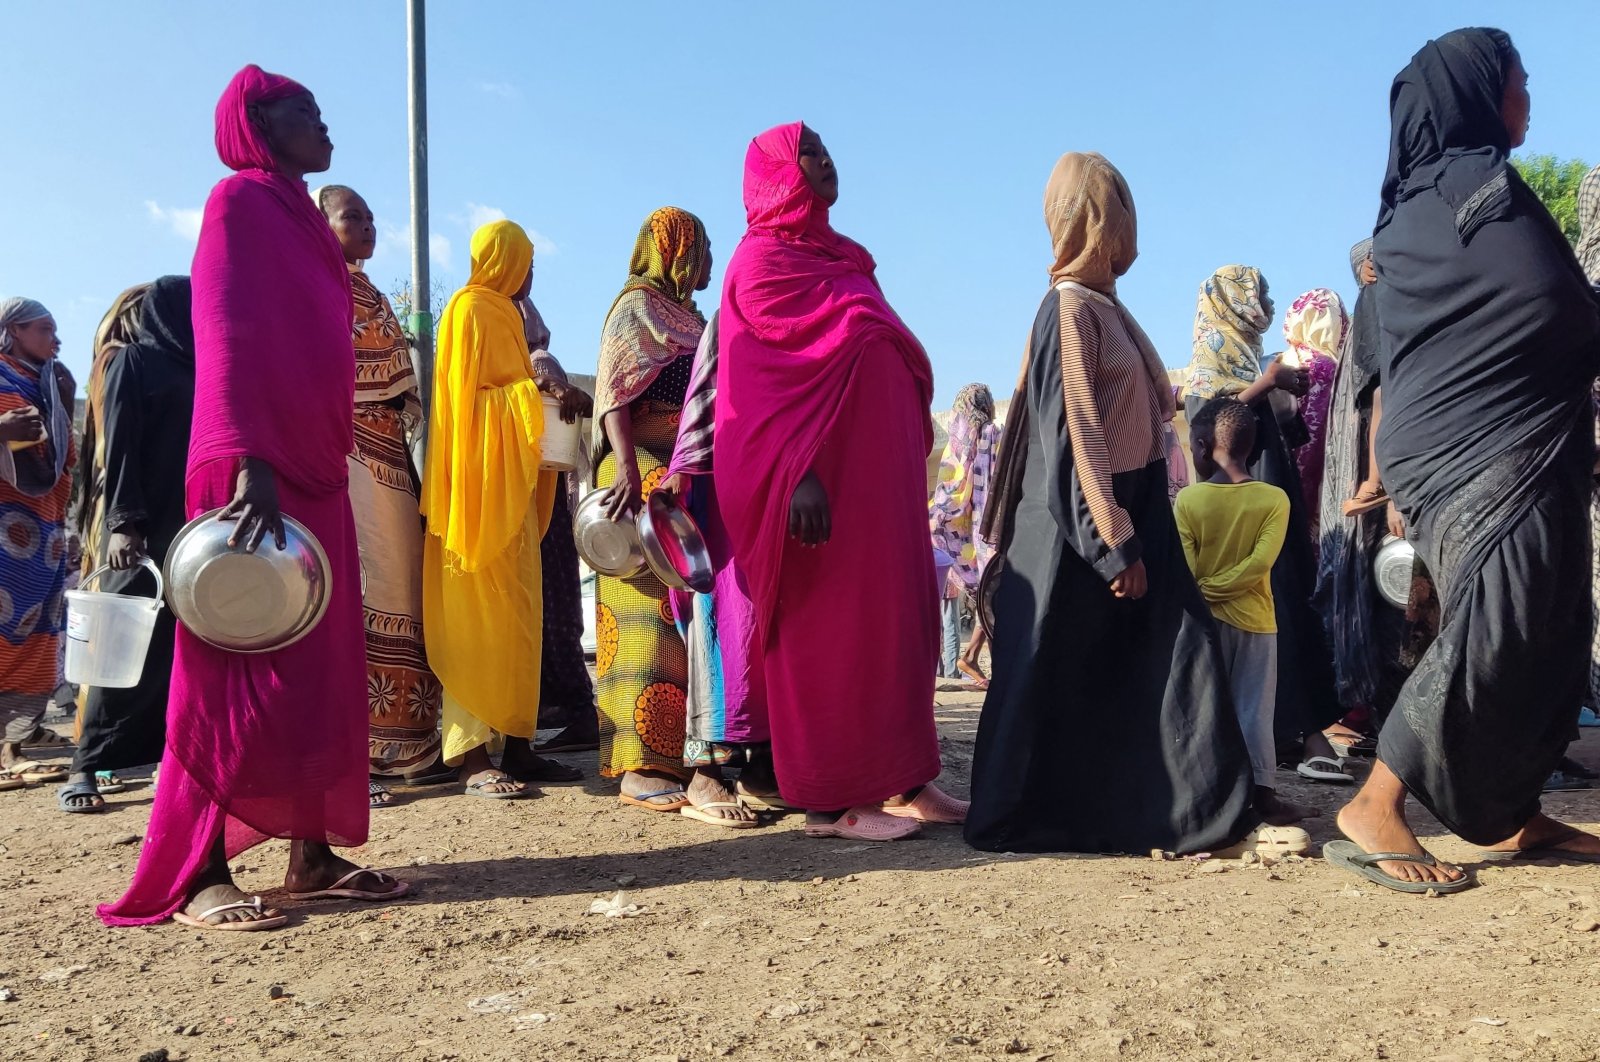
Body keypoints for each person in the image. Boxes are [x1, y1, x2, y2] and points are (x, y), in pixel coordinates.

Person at [100, 65, 407, 930]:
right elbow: (229, 333)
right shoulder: (237, 205)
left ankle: (310, 857)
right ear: (260, 125)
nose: (325, 125)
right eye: (305, 113)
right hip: (254, 470)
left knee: (317, 669)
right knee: (231, 677)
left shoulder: (300, 220)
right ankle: (197, 870)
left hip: (312, 464)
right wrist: (250, 462)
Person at [1328, 29, 1600, 894]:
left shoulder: (1484, 195)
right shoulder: (1441, 208)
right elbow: (1522, 307)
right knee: (1497, 618)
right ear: (1479, 93)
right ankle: (1375, 800)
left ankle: (1511, 810)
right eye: (1520, 81)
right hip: (1468, 447)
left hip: (1531, 436)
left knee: (1555, 628)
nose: (1530, 97)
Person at [965, 152, 1255, 854]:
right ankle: (1034, 817)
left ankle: (1189, 810)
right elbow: (1077, 431)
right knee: (1056, 674)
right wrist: (1112, 542)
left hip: (1130, 507)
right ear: (1096, 220)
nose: (1129, 223)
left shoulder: (1105, 307)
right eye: (1117, 206)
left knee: (1158, 661)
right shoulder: (1068, 308)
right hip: (1084, 526)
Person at [716, 123, 966, 841]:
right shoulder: (758, 263)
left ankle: (906, 779)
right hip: (818, 494)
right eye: (809, 154)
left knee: (895, 621)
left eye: (827, 151)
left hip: (877, 486)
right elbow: (755, 392)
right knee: (830, 633)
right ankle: (831, 803)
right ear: (776, 174)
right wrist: (797, 476)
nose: (826, 163)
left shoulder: (845, 258)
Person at [593, 207, 758, 825]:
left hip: (683, 480)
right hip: (639, 480)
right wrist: (632, 469)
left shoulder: (690, 317)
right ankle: (640, 768)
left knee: (684, 624)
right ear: (675, 247)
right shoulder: (634, 307)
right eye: (704, 245)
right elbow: (614, 390)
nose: (711, 258)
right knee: (641, 625)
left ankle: (688, 754)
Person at [1184, 265, 1348, 784]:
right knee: (1266, 625)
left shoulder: (1251, 362)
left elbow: (1285, 434)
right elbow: (1207, 433)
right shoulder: (1209, 369)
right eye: (1260, 294)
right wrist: (1265, 384)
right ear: (1231, 301)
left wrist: (1280, 389)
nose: (1269, 304)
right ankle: (1300, 741)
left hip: (1274, 510)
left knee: (1292, 612)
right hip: (1239, 528)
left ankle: (1295, 736)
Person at [315, 184, 443, 807]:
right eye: (352, 217)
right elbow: (329, 367)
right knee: (370, 590)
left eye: (370, 216)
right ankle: (367, 751)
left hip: (390, 458)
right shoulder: (320, 283)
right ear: (322, 223)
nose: (366, 226)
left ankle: (408, 741)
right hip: (352, 457)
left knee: (403, 587)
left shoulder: (367, 290)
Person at [421, 219, 558, 800]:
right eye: (527, 260)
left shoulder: (511, 316)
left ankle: (520, 747)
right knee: (475, 622)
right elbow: (467, 410)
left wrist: (544, 379)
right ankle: (473, 756)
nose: (532, 272)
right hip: (476, 494)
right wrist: (534, 394)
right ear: (505, 260)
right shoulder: (470, 309)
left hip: (515, 494)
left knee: (521, 620)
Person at [58, 278, 194, 813]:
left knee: (180, 650)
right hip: (140, 522)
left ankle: (173, 757)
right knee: (122, 644)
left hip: (189, 522)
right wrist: (123, 522)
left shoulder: (200, 367)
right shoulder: (130, 363)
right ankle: (86, 765)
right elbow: (117, 446)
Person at [662, 312, 782, 821]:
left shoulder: (795, 310)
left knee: (763, 632)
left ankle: (760, 769)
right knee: (719, 622)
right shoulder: (733, 315)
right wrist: (683, 474)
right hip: (720, 486)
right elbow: (705, 397)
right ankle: (705, 774)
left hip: (772, 487)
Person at [1178, 398, 1314, 826]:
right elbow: (1260, 563)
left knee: (1207, 708)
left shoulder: (1188, 501)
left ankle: (1211, 795)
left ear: (1201, 446)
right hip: (1257, 621)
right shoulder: (1274, 500)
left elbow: (1189, 567)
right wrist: (1222, 588)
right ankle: (1264, 796)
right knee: (1254, 709)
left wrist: (1206, 592)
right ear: (1251, 448)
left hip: (1204, 624)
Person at [517, 297, 601, 759]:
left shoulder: (538, 362)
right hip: (546, 501)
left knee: (552, 611)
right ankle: (564, 710)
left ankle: (577, 712)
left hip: (544, 502)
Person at [0, 297, 75, 790]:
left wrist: (64, 399)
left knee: (37, 633)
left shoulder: (49, 383)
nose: (55, 338)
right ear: (14, 331)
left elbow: (62, 453)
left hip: (44, 526)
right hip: (5, 527)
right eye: (44, 328)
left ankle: (16, 735)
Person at [930, 383, 999, 689]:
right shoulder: (992, 437)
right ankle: (995, 670)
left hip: (975, 535)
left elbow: (951, 489)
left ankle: (972, 657)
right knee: (996, 599)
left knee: (992, 598)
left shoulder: (958, 445)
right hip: (992, 533)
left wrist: (936, 517)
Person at [1280, 288, 1348, 539]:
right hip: (1319, 486)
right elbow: (1316, 440)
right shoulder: (1326, 367)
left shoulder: (1281, 362)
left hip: (1281, 481)